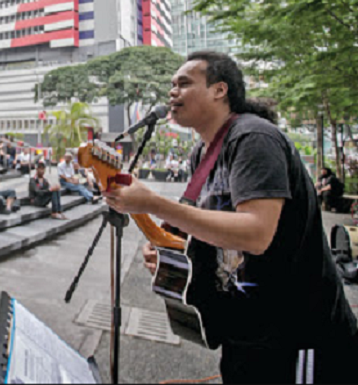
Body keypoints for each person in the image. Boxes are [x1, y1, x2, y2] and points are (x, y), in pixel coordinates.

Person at [104, 51, 357, 384]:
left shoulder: (253, 138)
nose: (173, 92)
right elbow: (206, 226)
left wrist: (153, 203)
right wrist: (171, 248)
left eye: (184, 83)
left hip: (299, 338)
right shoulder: (202, 153)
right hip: (245, 335)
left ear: (219, 90)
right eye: (172, 85)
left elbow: (256, 233)